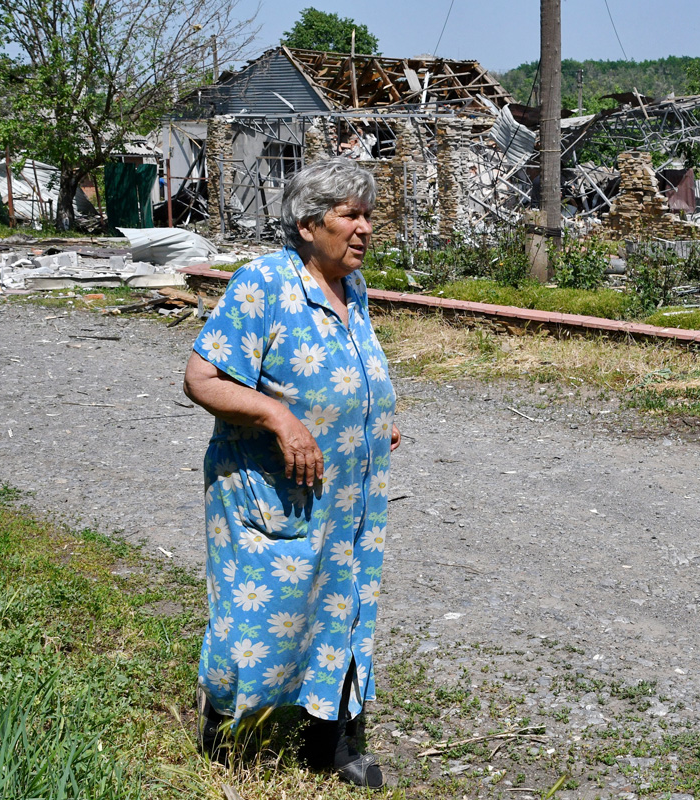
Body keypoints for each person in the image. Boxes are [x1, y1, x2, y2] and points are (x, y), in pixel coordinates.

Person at [183, 157, 399, 787]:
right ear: (308, 225)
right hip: (274, 492)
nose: (364, 229)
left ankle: (331, 739)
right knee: (260, 615)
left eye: (368, 216)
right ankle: (227, 733)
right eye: (350, 216)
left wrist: (375, 415)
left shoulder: (350, 286)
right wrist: (278, 416)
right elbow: (202, 379)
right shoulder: (263, 284)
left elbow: (345, 371)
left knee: (343, 606)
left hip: (349, 495)